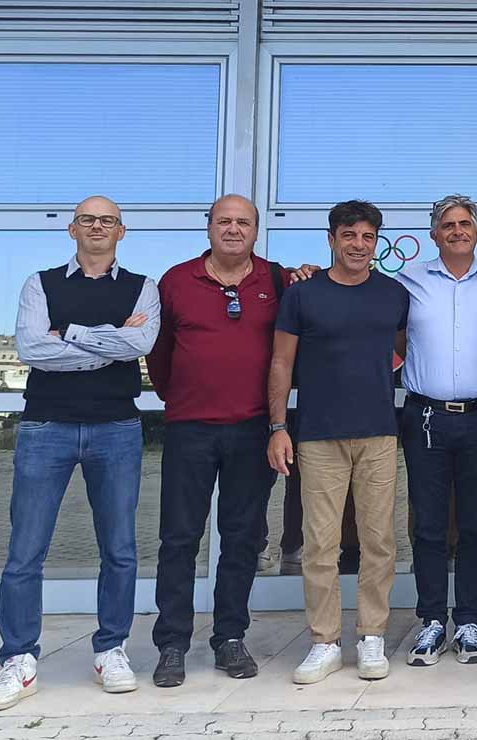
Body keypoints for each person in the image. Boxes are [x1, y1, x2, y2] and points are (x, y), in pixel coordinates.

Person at [0, 196, 159, 712]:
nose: (97, 227)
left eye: (107, 220)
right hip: (45, 426)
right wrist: (108, 343)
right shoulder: (40, 283)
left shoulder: (142, 287)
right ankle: (17, 659)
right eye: (88, 219)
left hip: (117, 428)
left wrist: (75, 337)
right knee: (25, 551)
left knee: (120, 549)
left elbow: (139, 344)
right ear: (72, 229)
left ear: (121, 232)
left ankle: (111, 649)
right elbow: (32, 349)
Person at [147, 194, 293, 688]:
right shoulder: (176, 281)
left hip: (253, 430)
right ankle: (171, 643)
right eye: (224, 221)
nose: (233, 229)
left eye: (243, 222)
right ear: (208, 227)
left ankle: (230, 636)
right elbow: (159, 354)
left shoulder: (275, 280)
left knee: (241, 539)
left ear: (256, 230)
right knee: (179, 539)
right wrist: (184, 399)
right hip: (190, 428)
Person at [267, 200, 409, 685]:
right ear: (332, 239)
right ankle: (324, 641)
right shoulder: (303, 295)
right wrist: (278, 425)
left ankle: (372, 636)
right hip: (318, 435)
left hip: (378, 433)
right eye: (349, 235)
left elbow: (405, 352)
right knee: (320, 545)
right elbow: (282, 364)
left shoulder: (393, 295)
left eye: (367, 237)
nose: (358, 244)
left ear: (376, 243)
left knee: (379, 542)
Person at [396, 195, 477, 667]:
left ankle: (467, 620)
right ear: (434, 234)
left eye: (465, 223)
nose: (458, 230)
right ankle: (431, 622)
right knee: (428, 524)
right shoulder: (407, 281)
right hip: (426, 417)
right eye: (448, 224)